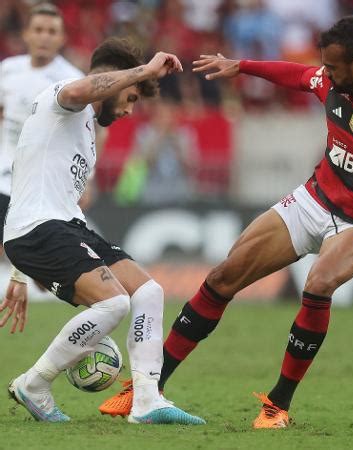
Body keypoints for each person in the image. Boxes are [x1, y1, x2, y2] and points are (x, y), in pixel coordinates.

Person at [99, 15, 353, 428]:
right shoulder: (332, 81)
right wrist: (242, 66)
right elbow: (298, 75)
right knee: (223, 277)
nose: (325, 74)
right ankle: (147, 389)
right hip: (313, 199)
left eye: (333, 67)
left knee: (317, 285)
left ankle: (277, 405)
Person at [1, 36, 204, 425]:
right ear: (115, 79)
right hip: (38, 228)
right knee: (114, 302)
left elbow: (37, 183)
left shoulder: (88, 132)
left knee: (148, 291)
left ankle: (146, 399)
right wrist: (145, 69)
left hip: (60, 224)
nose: (129, 111)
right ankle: (35, 383)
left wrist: (19, 273)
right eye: (130, 99)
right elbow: (81, 88)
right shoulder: (64, 99)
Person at [0, 3, 84, 330]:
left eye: (51, 32)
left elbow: (81, 136)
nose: (44, 37)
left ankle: (84, 323)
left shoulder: (71, 80)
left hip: (39, 182)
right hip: (3, 173)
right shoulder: (8, 69)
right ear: (26, 34)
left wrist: (83, 181)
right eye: (38, 30)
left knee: (41, 272)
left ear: (62, 37)